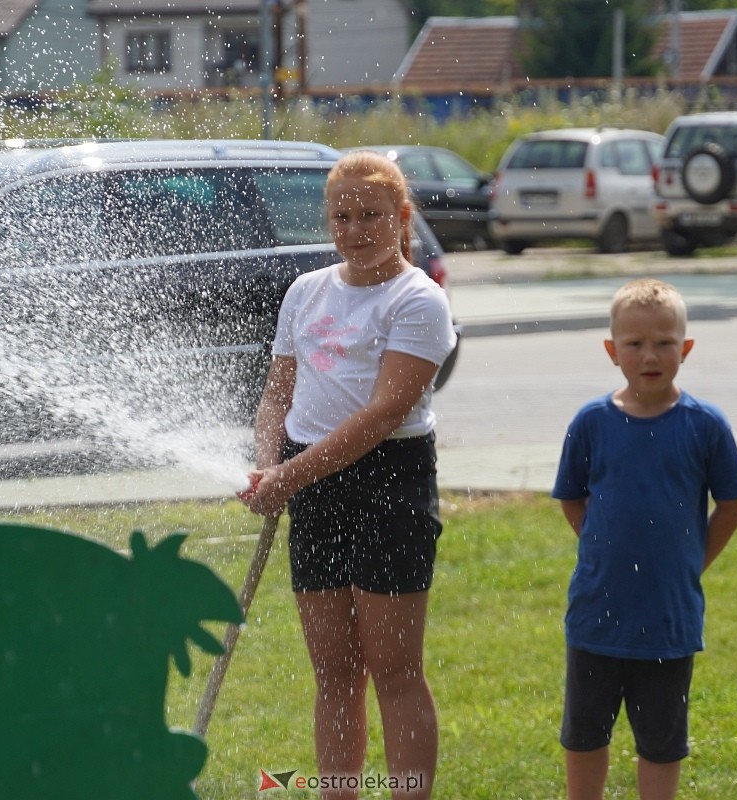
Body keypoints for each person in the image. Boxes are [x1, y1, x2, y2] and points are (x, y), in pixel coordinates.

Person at [238, 150, 457, 800]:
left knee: (394, 670)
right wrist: (265, 463)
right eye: (342, 216)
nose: (356, 229)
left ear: (402, 217)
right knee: (334, 671)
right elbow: (278, 396)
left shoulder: (419, 300)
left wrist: (291, 474)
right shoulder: (305, 291)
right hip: (312, 486)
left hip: (390, 483)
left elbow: (385, 413)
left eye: (371, 215)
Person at [551, 278, 737, 800]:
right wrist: (599, 544)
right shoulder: (592, 422)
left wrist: (691, 562)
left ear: (685, 348)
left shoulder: (706, 426)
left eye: (664, 342)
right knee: (585, 732)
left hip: (668, 620)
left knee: (662, 741)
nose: (650, 355)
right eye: (635, 344)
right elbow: (572, 497)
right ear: (612, 351)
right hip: (596, 615)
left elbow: (732, 505)